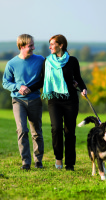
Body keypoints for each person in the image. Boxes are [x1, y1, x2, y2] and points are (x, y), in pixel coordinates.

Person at [36, 34, 87, 171]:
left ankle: (70, 164)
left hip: (71, 100)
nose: (50, 46)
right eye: (50, 44)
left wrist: (83, 89)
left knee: (69, 131)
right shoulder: (47, 61)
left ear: (61, 45)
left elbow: (78, 78)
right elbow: (42, 81)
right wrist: (28, 88)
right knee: (56, 128)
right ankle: (58, 158)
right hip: (54, 100)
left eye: (52, 44)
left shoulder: (72, 61)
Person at [2, 34, 45, 170]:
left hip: (35, 100)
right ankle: (25, 162)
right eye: (30, 46)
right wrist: (17, 87)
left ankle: (38, 161)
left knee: (36, 131)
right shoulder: (12, 63)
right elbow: (5, 82)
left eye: (33, 45)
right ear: (21, 46)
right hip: (18, 101)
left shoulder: (40, 60)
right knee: (21, 130)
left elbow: (49, 75)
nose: (33, 48)